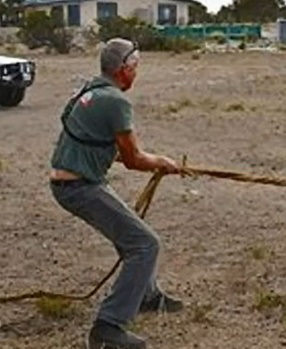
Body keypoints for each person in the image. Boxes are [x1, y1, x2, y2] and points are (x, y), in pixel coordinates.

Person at [49, 38, 183, 349]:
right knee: (145, 244)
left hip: (71, 180)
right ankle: (108, 327)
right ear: (123, 70)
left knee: (133, 235)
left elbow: (108, 147)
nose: (137, 73)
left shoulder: (88, 90)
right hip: (79, 187)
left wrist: (151, 161)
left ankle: (145, 296)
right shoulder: (116, 101)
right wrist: (161, 162)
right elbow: (133, 159)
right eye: (135, 67)